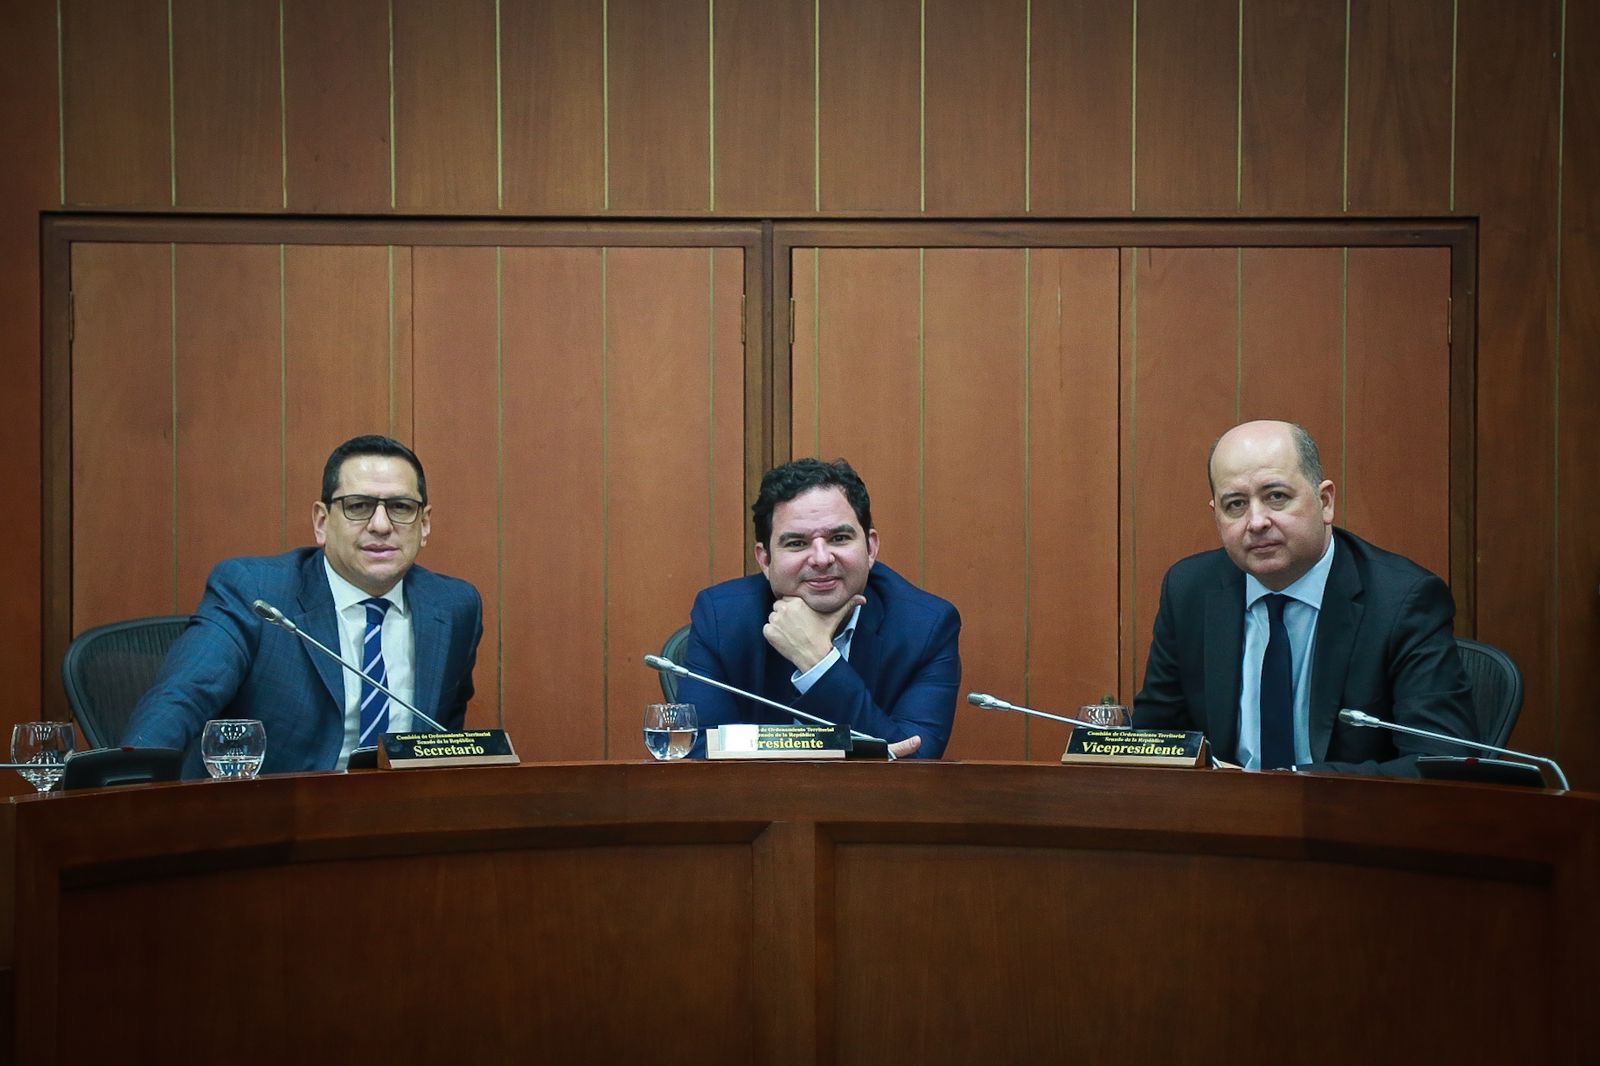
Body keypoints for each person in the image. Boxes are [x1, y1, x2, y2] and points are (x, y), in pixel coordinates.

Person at [123, 435, 483, 777]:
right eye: (358, 506)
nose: (380, 525)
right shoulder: (257, 593)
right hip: (277, 812)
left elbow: (444, 741)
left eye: (400, 507)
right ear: (322, 522)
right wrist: (129, 786)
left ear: (424, 524)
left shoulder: (453, 608)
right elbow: (183, 697)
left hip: (399, 814)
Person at [1132, 420, 1474, 776]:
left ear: (1325, 502)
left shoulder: (1402, 600)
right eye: (1235, 504)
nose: (1256, 521)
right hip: (1222, 809)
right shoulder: (1191, 590)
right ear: (1216, 516)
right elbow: (1154, 742)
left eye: (1276, 497)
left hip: (1344, 810)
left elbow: (1440, 763)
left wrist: (1294, 786)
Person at [676, 458, 961, 759]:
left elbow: (915, 766)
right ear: (765, 560)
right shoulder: (722, 618)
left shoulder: (926, 628)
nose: (822, 559)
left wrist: (819, 664)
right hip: (759, 794)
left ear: (871, 548)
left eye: (839, 538)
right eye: (797, 543)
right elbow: (700, 752)